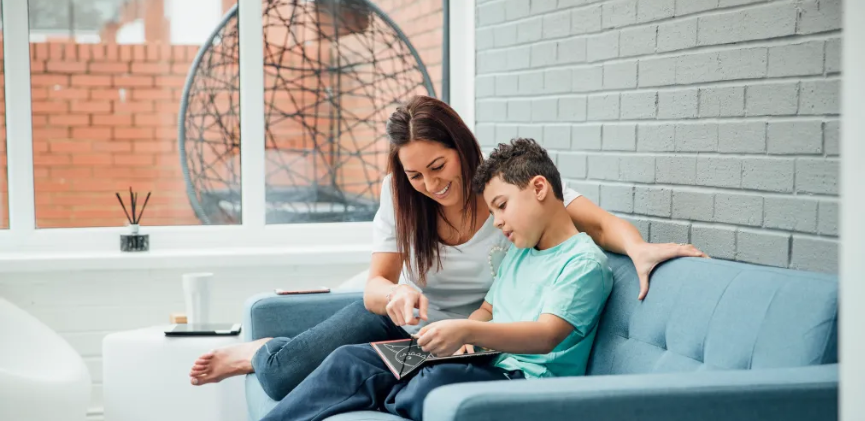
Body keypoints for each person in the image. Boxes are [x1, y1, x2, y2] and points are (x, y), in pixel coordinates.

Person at [153, 138, 615, 421]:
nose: (496, 221)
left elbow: (546, 335)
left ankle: (389, 389)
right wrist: (470, 333)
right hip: (483, 360)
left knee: (427, 385)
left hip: (522, 385)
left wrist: (468, 330)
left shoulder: (582, 263)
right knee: (353, 361)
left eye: (501, 207)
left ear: (539, 189)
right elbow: (491, 307)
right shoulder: (519, 251)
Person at [187, 95, 705, 401]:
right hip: (402, 319)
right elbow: (373, 284)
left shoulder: (506, 191)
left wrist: (638, 249)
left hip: (469, 341)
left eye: (438, 167)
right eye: (416, 175)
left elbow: (598, 224)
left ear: (461, 150)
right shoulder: (402, 197)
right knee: (278, 378)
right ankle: (260, 350)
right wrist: (394, 296)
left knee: (345, 379)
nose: (430, 185)